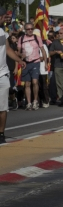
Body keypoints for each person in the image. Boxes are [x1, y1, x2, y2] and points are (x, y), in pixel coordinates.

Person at [0, 8, 27, 143]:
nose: (4, 19)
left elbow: (8, 49)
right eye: (3, 17)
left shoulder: (2, 33)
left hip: (2, 74)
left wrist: (19, 60)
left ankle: (1, 133)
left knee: (3, 106)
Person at [17, 23, 48, 110]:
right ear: (25, 30)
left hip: (36, 61)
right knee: (27, 84)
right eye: (28, 29)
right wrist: (21, 55)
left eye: (31, 29)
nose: (30, 30)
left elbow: (43, 50)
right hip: (26, 63)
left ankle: (35, 101)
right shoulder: (21, 38)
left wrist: (45, 63)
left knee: (35, 82)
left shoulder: (36, 38)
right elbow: (17, 52)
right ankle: (29, 102)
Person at [49, 28, 63, 106]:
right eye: (59, 33)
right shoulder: (55, 42)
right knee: (59, 83)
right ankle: (62, 99)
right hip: (58, 65)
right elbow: (50, 53)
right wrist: (56, 52)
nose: (59, 35)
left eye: (61, 33)